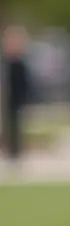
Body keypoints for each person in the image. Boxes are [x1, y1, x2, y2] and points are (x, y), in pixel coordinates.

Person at [1, 25, 32, 165]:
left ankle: (16, 151)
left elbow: (24, 83)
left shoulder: (19, 64)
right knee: (8, 124)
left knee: (16, 123)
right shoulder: (7, 63)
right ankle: (10, 150)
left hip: (16, 97)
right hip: (7, 97)